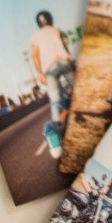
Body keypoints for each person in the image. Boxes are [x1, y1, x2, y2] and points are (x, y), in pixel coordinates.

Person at [31, 10, 75, 158]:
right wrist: (70, 62)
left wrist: (39, 74)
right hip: (64, 61)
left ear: (38, 23)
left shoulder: (36, 36)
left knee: (55, 101)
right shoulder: (57, 30)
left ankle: (55, 136)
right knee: (75, 90)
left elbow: (35, 56)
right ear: (50, 20)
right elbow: (65, 47)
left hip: (49, 68)